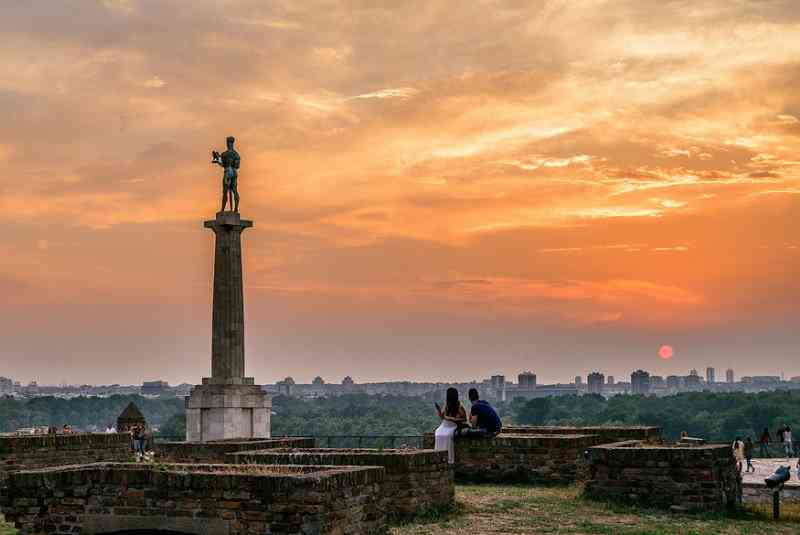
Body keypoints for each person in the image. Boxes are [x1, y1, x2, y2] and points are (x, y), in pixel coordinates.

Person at [434, 387, 467, 464]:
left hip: (452, 425)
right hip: (445, 424)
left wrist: (453, 419)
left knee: (447, 435)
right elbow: (442, 417)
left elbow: (465, 419)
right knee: (438, 432)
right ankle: (439, 456)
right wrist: (438, 410)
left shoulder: (459, 406)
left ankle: (449, 458)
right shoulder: (447, 404)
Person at [212, 136, 241, 212]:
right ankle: (236, 209)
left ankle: (222, 209)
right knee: (234, 190)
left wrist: (217, 161)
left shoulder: (225, 154)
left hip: (228, 171)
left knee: (225, 191)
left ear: (228, 143)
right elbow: (237, 166)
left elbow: (223, 165)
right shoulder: (236, 154)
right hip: (234, 172)